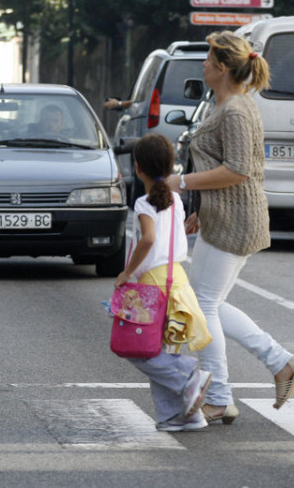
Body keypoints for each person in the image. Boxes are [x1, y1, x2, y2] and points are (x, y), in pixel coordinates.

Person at [165, 30, 294, 425]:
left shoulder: (235, 110)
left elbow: (239, 169)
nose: (204, 65)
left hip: (236, 220)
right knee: (211, 302)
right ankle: (281, 362)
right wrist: (201, 207)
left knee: (203, 305)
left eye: (210, 61)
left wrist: (183, 183)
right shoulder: (225, 104)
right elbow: (225, 166)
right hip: (224, 215)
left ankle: (221, 397)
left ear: (224, 68)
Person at [114, 133, 213, 432]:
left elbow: (149, 239)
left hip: (151, 284)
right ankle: (180, 416)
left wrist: (126, 273)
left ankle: (188, 378)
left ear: (138, 167)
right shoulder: (175, 200)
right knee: (161, 351)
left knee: (137, 349)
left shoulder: (144, 204)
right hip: (177, 280)